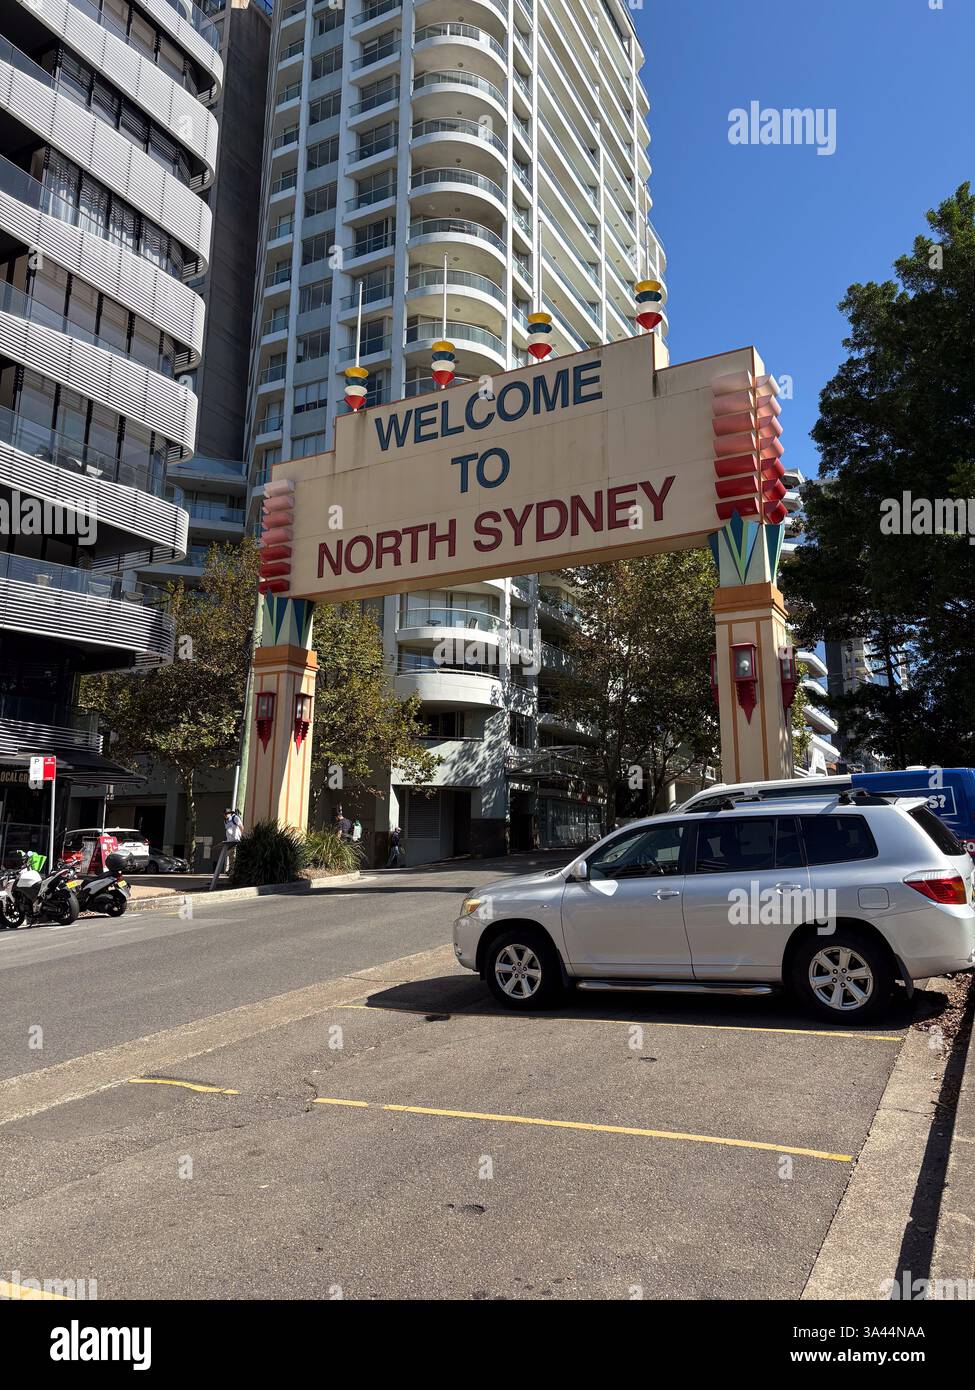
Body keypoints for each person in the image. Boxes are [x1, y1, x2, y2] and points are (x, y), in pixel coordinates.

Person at [223, 808, 243, 874]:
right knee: (229, 856)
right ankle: (230, 871)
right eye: (224, 814)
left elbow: (241, 827)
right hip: (229, 842)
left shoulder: (235, 818)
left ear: (230, 813)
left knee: (234, 857)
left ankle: (233, 872)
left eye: (227, 814)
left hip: (235, 840)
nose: (225, 815)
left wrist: (240, 837)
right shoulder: (225, 821)